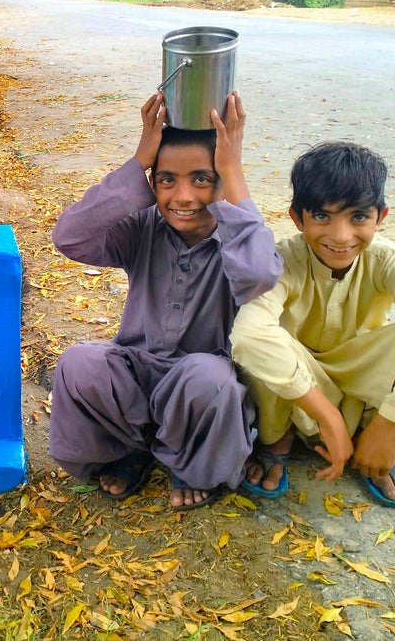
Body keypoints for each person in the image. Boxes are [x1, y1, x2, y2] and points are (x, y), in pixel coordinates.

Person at [48, 90, 281, 510]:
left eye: (203, 179)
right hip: (137, 372)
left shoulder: (239, 238)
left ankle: (190, 466)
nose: (183, 196)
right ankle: (128, 450)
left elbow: (260, 275)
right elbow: (69, 237)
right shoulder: (143, 228)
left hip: (200, 384)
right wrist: (138, 163)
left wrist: (233, 172)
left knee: (208, 378)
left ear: (223, 181)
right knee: (80, 362)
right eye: (166, 179)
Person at [231, 142, 395, 505]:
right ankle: (277, 441)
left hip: (359, 390)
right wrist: (329, 417)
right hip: (296, 395)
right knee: (263, 340)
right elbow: (246, 338)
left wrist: (389, 424)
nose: (340, 236)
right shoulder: (283, 260)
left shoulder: (385, 261)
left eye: (358, 217)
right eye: (322, 216)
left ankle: (374, 440)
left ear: (380, 217)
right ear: (297, 217)